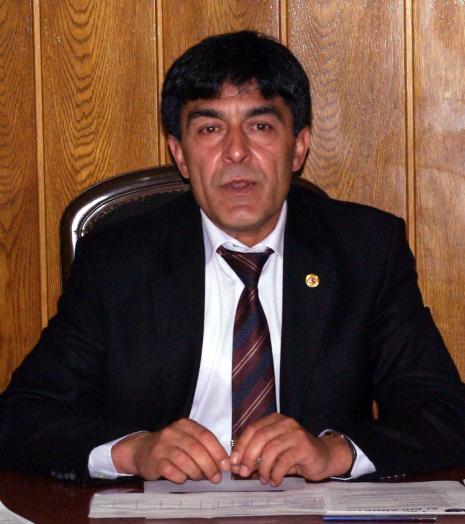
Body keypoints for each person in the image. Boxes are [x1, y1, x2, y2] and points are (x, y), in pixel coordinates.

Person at [1, 31, 465, 486]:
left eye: (261, 126)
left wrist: (333, 453)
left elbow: (447, 413)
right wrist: (135, 451)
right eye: (210, 129)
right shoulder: (118, 262)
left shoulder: (365, 251)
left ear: (299, 146)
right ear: (180, 155)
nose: (236, 151)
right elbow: (19, 417)